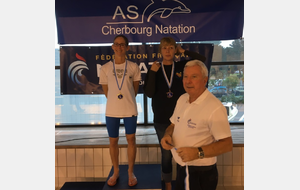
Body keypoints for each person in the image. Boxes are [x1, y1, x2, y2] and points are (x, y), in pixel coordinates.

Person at [143, 37, 206, 190]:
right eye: (165, 48)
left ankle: (181, 181)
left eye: (171, 48)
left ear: (175, 50)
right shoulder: (155, 69)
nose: (168, 51)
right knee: (166, 154)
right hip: (162, 119)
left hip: (182, 118)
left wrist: (184, 51)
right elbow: (149, 93)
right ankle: (168, 184)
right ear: (160, 51)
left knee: (181, 151)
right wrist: (152, 73)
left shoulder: (182, 66)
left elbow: (202, 59)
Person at [160, 59, 233, 190]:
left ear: (205, 80)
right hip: (183, 167)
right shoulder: (182, 99)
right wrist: (167, 136)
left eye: (194, 77)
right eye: (186, 76)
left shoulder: (214, 107)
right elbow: (173, 125)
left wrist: (197, 153)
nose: (188, 81)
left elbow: (227, 144)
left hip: (200, 172)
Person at [99, 35, 141, 187]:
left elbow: (134, 90)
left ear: (127, 47)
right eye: (116, 44)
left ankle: (130, 172)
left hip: (129, 109)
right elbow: (107, 91)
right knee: (113, 141)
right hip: (112, 111)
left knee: (131, 140)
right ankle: (116, 171)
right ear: (112, 46)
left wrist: (126, 99)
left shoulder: (133, 67)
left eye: (122, 44)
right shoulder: (105, 68)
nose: (119, 47)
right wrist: (116, 100)